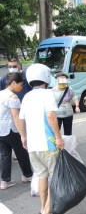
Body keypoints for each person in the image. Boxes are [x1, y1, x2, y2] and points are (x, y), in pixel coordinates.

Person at [18, 64, 64, 214]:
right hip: (48, 145)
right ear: (46, 77)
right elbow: (51, 116)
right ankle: (46, 211)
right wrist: (58, 137)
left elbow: (20, 119)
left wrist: (23, 137)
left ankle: (43, 207)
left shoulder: (26, 96)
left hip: (33, 146)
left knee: (42, 177)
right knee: (55, 178)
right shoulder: (47, 94)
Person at [0, 72, 33, 190]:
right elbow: (16, 117)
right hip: (11, 129)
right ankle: (27, 175)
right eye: (20, 84)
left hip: (1, 130)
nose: (21, 87)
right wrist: (23, 135)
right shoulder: (12, 97)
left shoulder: (1, 93)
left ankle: (5, 181)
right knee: (22, 152)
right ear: (13, 83)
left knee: (5, 155)